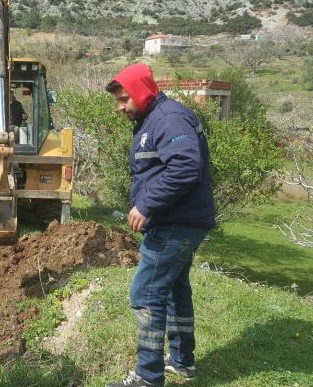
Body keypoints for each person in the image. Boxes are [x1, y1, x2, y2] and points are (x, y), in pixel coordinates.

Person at [104, 63, 216, 387]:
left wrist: (146, 204)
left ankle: (148, 377)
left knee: (146, 291)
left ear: (141, 91)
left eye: (124, 99)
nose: (120, 107)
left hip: (176, 223)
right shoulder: (153, 119)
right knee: (173, 289)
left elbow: (185, 166)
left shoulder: (168, 119)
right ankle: (182, 362)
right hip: (179, 221)